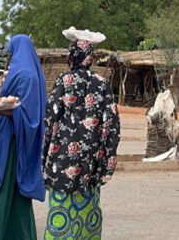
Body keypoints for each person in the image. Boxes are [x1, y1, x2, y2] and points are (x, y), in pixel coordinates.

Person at [42, 26, 121, 239]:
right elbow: (111, 127)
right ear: (90, 58)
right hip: (90, 164)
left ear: (72, 57)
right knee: (87, 215)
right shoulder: (102, 85)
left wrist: (43, 160)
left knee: (60, 214)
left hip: (62, 162)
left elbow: (50, 121)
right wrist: (106, 165)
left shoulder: (63, 82)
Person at [0, 34, 47, 239]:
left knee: (9, 193)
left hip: (13, 146)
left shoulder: (25, 75)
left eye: (11, 52)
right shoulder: (28, 73)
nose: (10, 57)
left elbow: (28, 115)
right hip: (13, 142)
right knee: (14, 197)